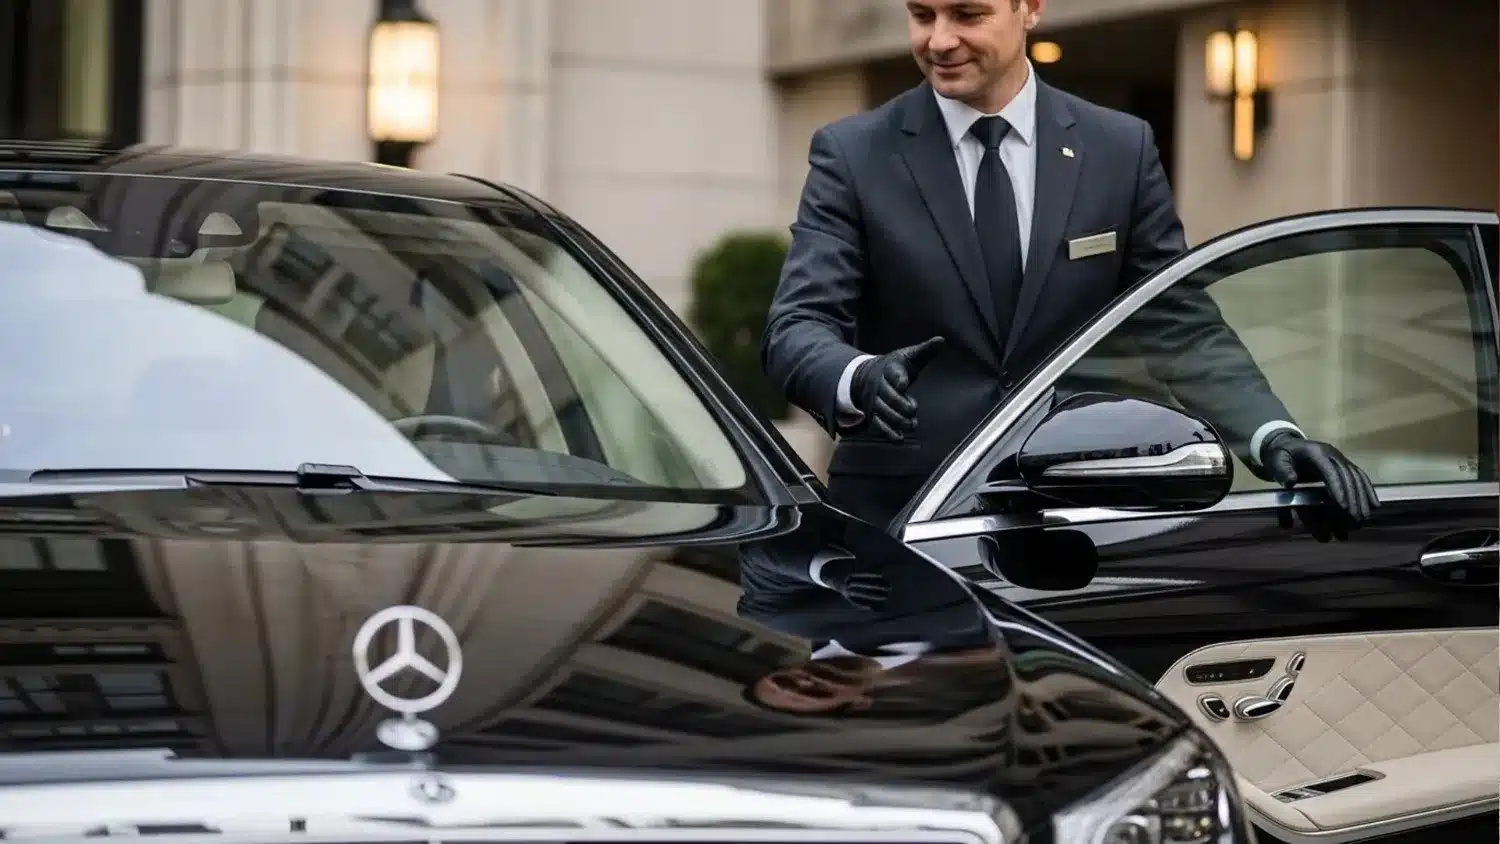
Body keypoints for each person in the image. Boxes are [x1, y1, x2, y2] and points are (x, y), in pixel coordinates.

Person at [761, 0, 1379, 530]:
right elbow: (797, 327)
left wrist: (1273, 437)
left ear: (1030, 8)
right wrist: (858, 377)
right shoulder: (853, 153)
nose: (939, 40)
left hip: (1073, 522)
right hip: (899, 524)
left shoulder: (1120, 149)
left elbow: (1178, 326)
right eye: (923, 15)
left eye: (967, 14)